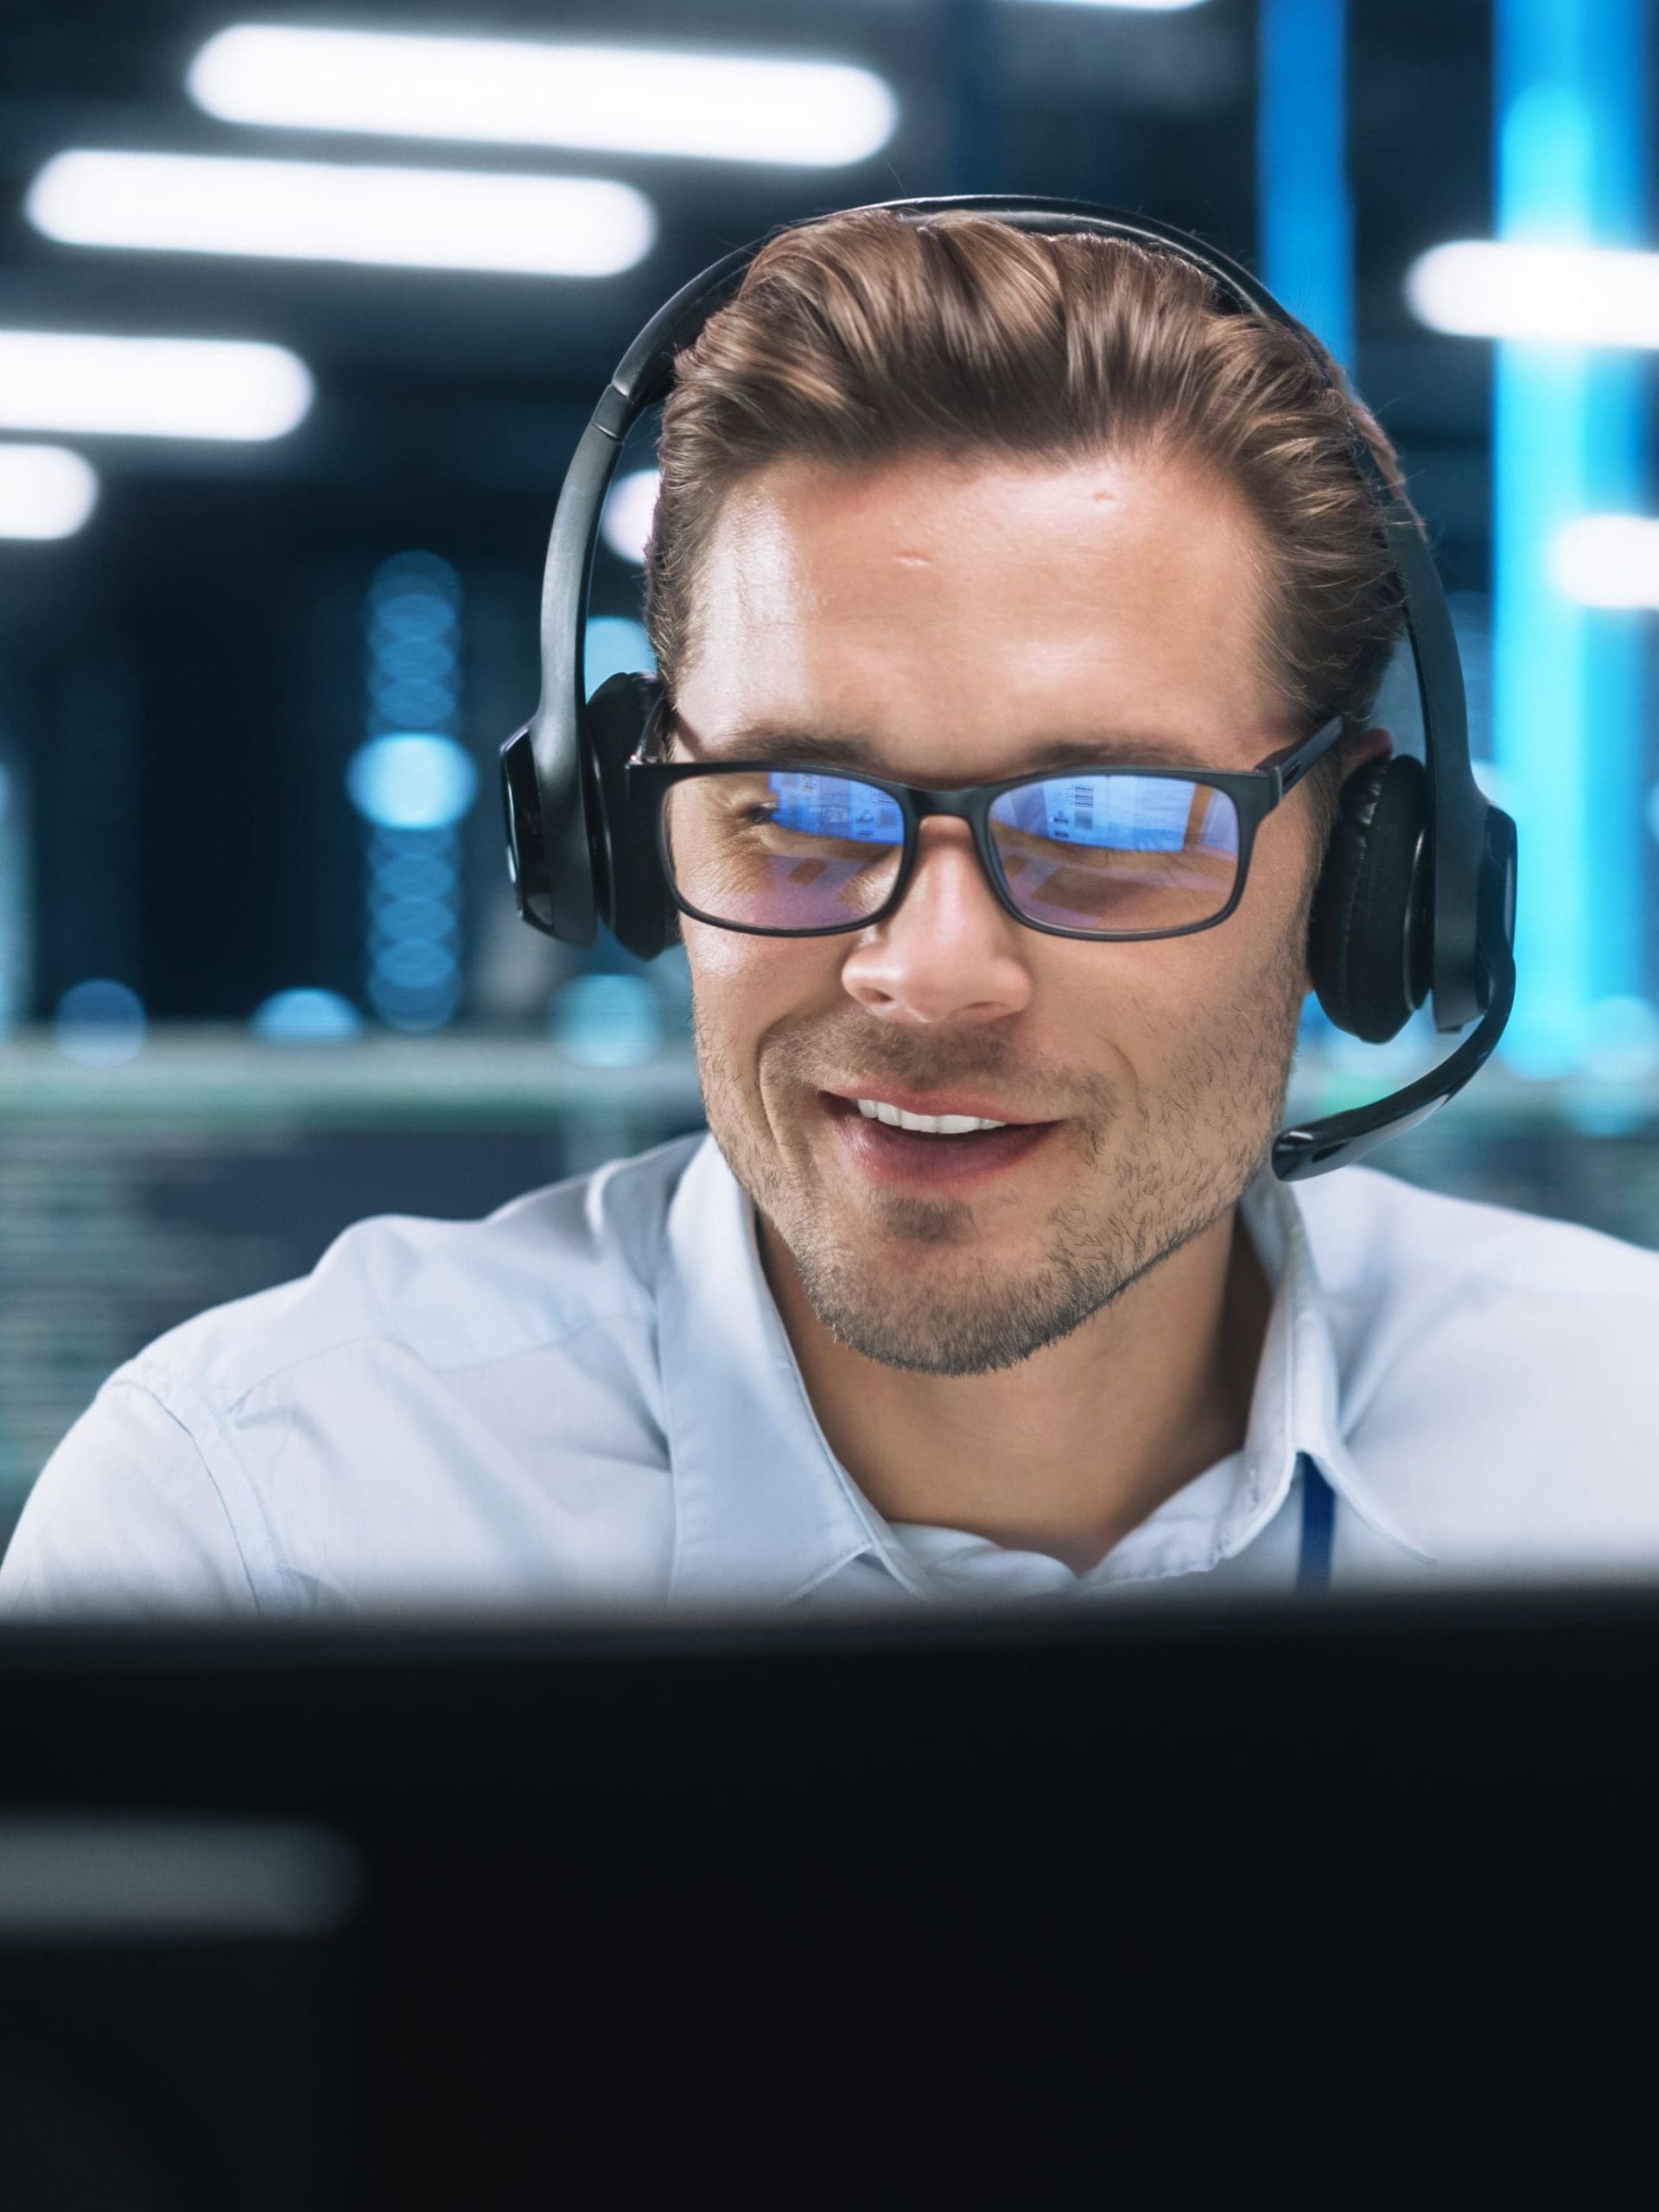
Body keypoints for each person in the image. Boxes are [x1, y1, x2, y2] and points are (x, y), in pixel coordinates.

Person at [3, 207, 1656, 1618]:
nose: (927, 976)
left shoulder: (1614, 1463)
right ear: (621, 842)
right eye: (793, 810)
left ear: (1370, 870)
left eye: (1105, 825)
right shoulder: (258, 1534)